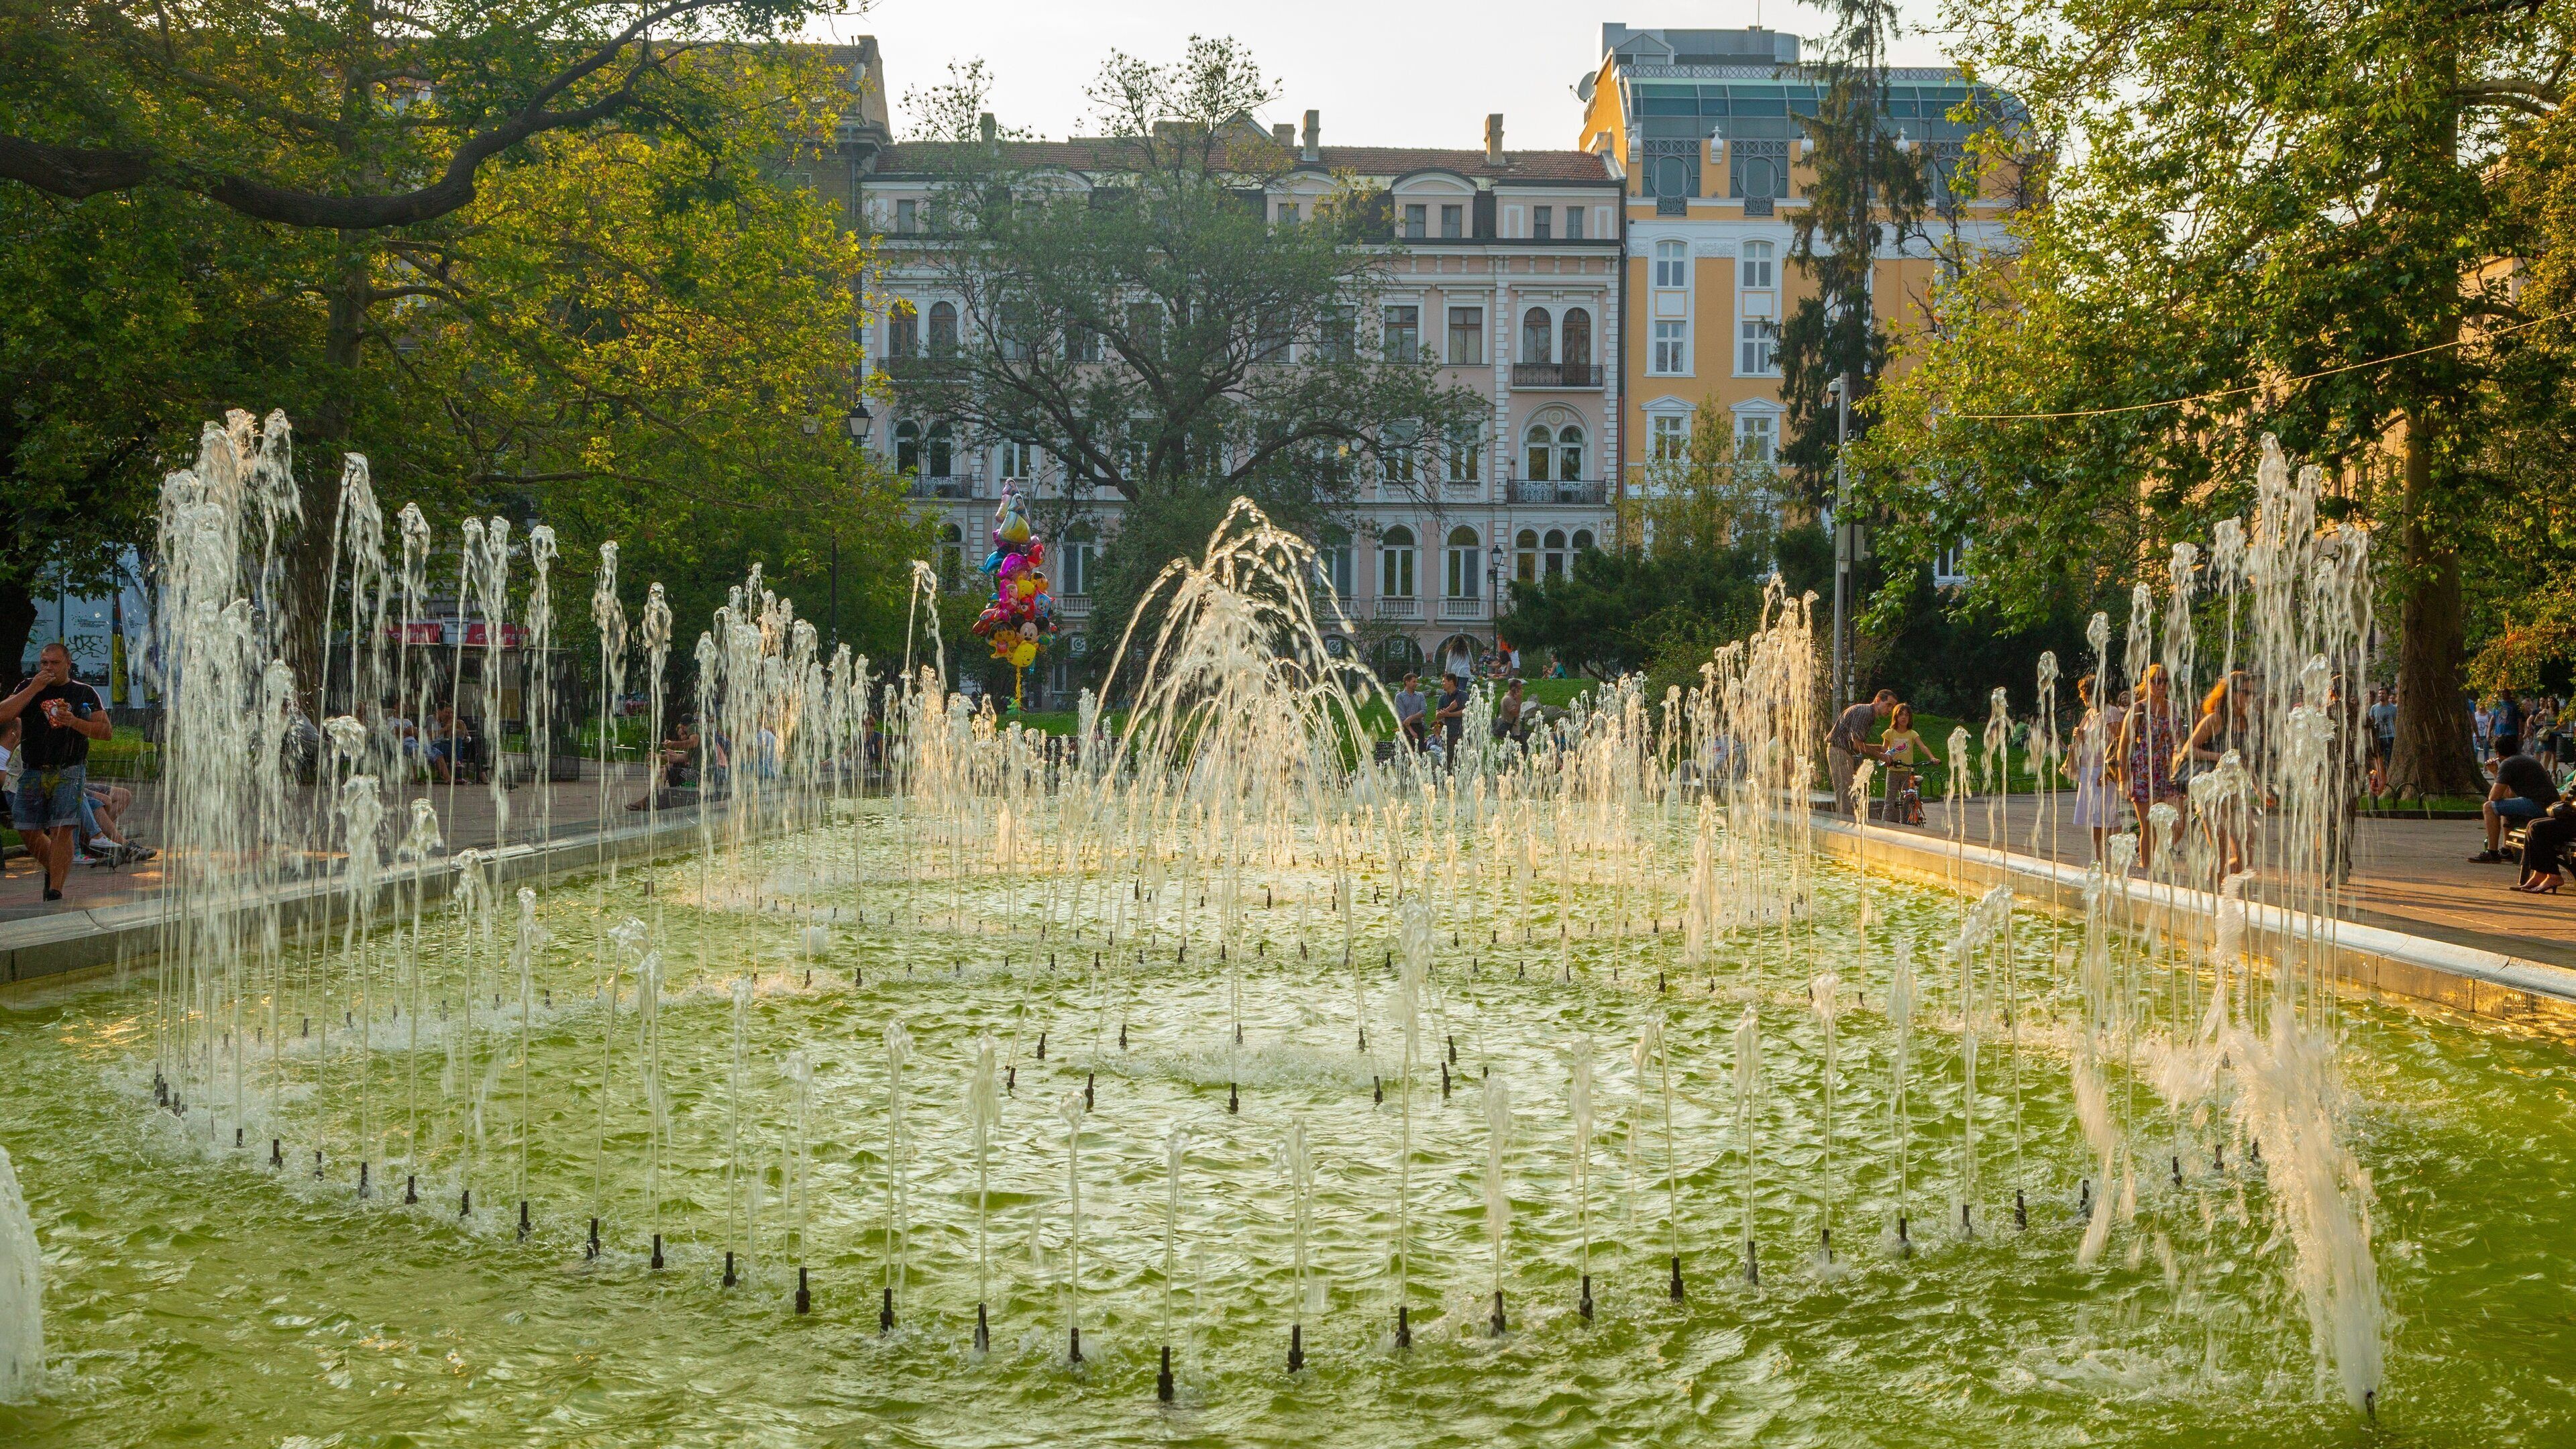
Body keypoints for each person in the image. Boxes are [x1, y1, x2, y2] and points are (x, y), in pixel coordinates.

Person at [0, 643, 115, 903]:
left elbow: (106, 733)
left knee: (63, 828)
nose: (48, 668)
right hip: (33, 770)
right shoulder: (27, 687)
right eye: (44, 663)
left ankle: (56, 890)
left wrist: (73, 721)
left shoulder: (83, 692)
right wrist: (33, 688)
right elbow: (3, 714)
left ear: (67, 664)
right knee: (27, 829)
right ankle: (55, 867)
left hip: (69, 769)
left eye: (54, 663)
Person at [2178, 670, 2257, 876]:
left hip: (2235, 793)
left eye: (2251, 693)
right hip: (2212, 793)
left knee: (2246, 854)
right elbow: (2188, 750)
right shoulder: (2215, 720)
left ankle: (2221, 887)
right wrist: (2219, 757)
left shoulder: (2245, 723)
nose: (2250, 698)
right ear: (2230, 694)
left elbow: (2245, 761)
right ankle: (2211, 898)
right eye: (2245, 693)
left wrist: (2259, 788)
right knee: (2220, 853)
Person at [2112, 663, 2186, 871]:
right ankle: (2147, 869)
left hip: (2167, 773)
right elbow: (2125, 745)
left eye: (2165, 681)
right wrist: (2123, 779)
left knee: (2178, 823)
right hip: (2143, 772)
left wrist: (2180, 763)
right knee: (2149, 826)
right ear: (2147, 682)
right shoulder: (2138, 709)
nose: (2161, 685)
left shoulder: (2173, 708)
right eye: (2156, 681)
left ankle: (2160, 853)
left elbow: (2179, 741)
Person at [2471, 732, 2556, 863]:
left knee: (2488, 807)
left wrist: (2496, 772)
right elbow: (2508, 795)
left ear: (2498, 753)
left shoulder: (2508, 764)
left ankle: (2492, 852)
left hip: (2539, 805)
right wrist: (2495, 772)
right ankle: (2507, 849)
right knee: (2504, 807)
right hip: (2548, 804)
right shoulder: (2523, 759)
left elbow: (2493, 797)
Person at [2063, 676, 2117, 865]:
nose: (2081, 697)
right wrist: (2079, 736)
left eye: (2083, 693)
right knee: (2095, 818)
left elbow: (2115, 743)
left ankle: (2119, 854)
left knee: (2107, 817)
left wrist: (2106, 770)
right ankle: (2098, 857)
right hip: (2088, 769)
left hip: (2102, 769)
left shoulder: (2111, 712)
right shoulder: (2090, 714)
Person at [1827, 689, 1896, 817]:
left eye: (1892, 707)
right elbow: (1857, 745)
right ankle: (1845, 829)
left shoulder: (1865, 712)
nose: (1890, 709)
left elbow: (1855, 743)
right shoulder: (1865, 712)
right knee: (1847, 797)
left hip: (1841, 752)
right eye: (1889, 705)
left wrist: (1877, 748)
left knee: (1848, 795)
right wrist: (1881, 756)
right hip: (1839, 753)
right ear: (1878, 700)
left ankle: (1845, 826)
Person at [1878, 703, 1939, 826]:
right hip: (1893, 770)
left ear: (1910, 718)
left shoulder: (1912, 734)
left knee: (1906, 801)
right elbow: (1884, 750)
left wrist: (1932, 758)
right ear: (1896, 716)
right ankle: (1883, 826)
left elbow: (1923, 747)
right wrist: (1886, 760)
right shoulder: (1890, 733)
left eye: (1907, 715)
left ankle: (1905, 825)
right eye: (1901, 714)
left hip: (1907, 772)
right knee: (1889, 802)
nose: (1904, 717)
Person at [1435, 674, 1467, 759]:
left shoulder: (1463, 695)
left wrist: (1449, 714)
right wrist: (1448, 710)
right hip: (1448, 733)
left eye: (1444, 682)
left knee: (1461, 757)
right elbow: (1437, 716)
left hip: (1462, 731)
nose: (1442, 684)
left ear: (1451, 682)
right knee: (1449, 758)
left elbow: (1466, 711)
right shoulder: (1442, 698)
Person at [1392, 672, 1427, 751]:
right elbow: (1402, 717)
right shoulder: (1400, 697)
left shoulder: (1420, 695)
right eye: (1414, 682)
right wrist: (1411, 731)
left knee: (1420, 751)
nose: (1416, 684)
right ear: (1407, 682)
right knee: (1408, 753)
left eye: (1416, 682)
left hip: (1419, 726)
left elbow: (1424, 711)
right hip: (1406, 728)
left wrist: (1411, 717)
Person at [1491, 677, 1529, 745]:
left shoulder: (1510, 697)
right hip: (1512, 731)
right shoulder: (1508, 699)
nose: (1521, 690)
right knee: (1523, 750)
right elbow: (1515, 713)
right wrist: (1519, 700)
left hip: (1514, 730)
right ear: (1513, 688)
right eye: (1520, 688)